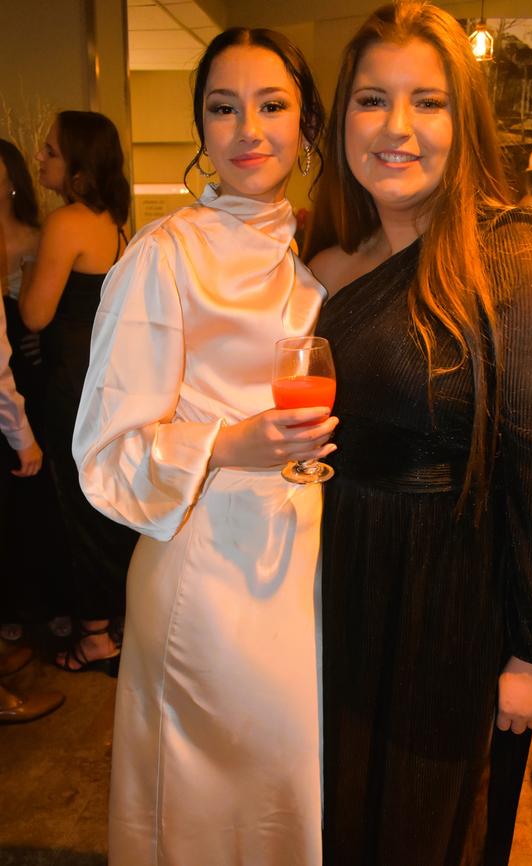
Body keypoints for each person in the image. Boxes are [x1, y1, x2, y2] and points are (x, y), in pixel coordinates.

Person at [305, 4, 532, 864]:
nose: (397, 127)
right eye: (372, 99)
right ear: (343, 121)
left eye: (428, 102)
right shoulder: (336, 260)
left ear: (464, 121)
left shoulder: (513, 256)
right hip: (334, 592)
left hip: (447, 603)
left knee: (423, 828)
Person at [73, 28, 333, 865]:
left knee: (286, 783)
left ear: (307, 125)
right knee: (206, 796)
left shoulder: (314, 251)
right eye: (224, 109)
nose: (248, 130)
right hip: (207, 569)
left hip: (305, 563)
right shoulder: (164, 255)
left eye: (271, 105)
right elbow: (106, 450)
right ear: (201, 129)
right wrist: (227, 444)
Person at [19, 111, 138, 673]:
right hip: (106, 380)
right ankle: (116, 619)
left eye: (50, 150)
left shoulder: (66, 222)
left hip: (69, 382)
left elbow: (36, 315)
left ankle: (94, 636)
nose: (39, 158)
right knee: (107, 503)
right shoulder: (117, 222)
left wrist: (23, 276)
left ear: (78, 167)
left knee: (76, 506)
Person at [0, 138, 70, 638]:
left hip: (32, 370)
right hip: (5, 377)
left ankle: (43, 603)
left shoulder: (39, 235)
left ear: (10, 180)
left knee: (38, 493)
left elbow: (42, 317)